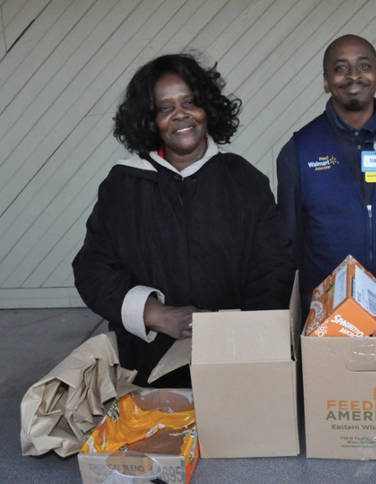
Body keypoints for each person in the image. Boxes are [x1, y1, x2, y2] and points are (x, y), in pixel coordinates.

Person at [73, 54, 294, 387]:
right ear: (150, 120)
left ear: (207, 108)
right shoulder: (124, 185)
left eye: (190, 102)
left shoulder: (244, 181)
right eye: (165, 108)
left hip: (232, 361)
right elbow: (92, 268)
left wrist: (244, 338)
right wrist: (154, 314)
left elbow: (273, 268)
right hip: (146, 364)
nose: (180, 115)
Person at [276, 34, 376, 307]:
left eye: (364, 66)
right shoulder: (301, 149)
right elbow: (289, 239)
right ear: (326, 81)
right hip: (327, 309)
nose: (354, 75)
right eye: (341, 67)